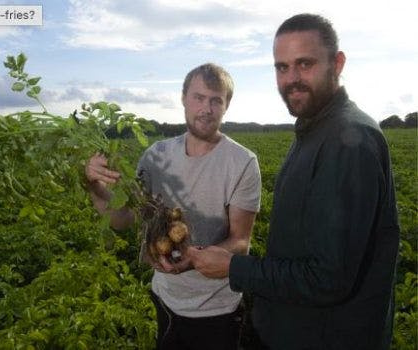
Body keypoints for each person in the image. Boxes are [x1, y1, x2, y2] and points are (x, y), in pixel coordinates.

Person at [188, 13, 400, 350]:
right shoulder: (313, 130)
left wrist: (234, 268)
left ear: (338, 63)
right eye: (282, 67)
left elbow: (328, 279)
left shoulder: (349, 141)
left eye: (305, 64)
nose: (292, 79)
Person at [84, 63, 261, 349]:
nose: (206, 108)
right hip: (165, 300)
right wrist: (92, 185)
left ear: (226, 106)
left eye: (216, 100)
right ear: (183, 99)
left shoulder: (242, 162)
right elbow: (124, 219)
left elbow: (241, 241)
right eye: (199, 97)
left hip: (217, 310)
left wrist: (194, 257)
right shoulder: (156, 156)